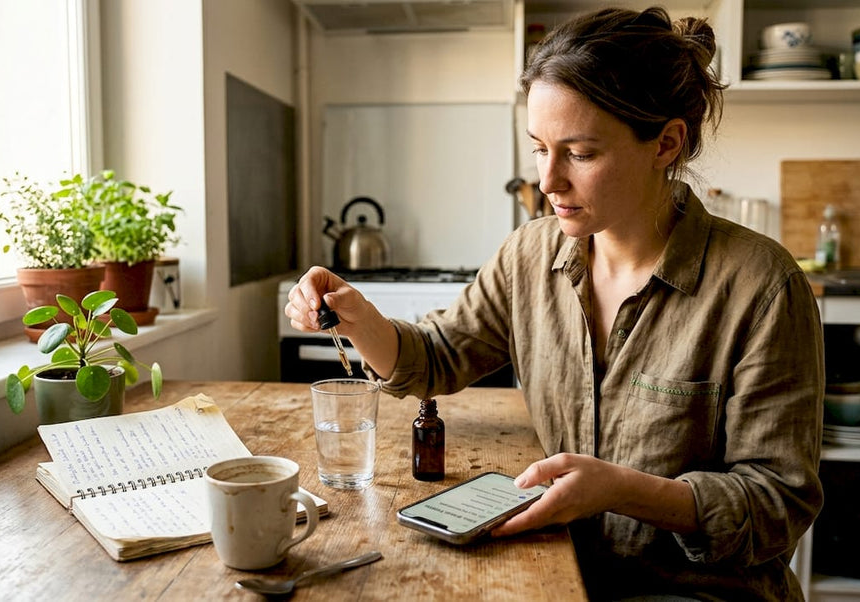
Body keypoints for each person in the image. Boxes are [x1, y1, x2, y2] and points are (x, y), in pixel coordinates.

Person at [285, 6, 823, 600]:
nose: (548, 180)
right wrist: (360, 319)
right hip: (557, 574)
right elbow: (436, 356)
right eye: (539, 148)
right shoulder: (529, 255)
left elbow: (778, 504)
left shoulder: (761, 287)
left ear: (666, 144)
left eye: (581, 154)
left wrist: (621, 490)